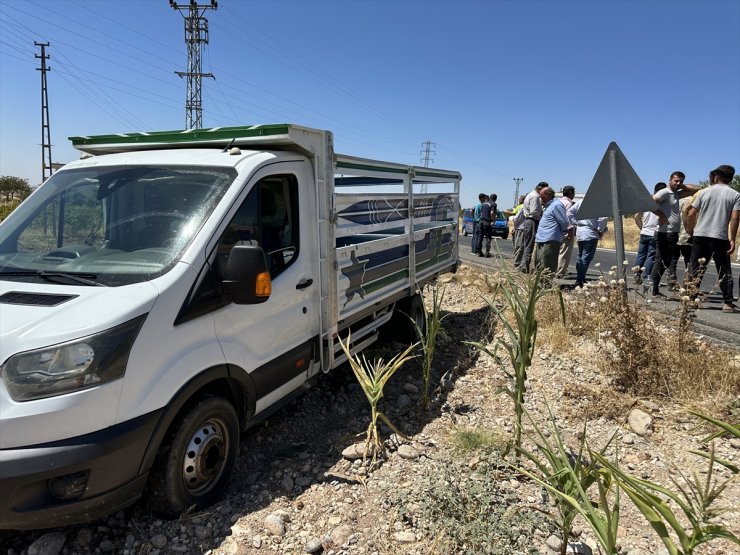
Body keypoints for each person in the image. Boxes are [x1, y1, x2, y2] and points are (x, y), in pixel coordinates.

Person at [685, 164, 740, 313]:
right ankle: (728, 303)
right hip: (719, 236)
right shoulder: (735, 195)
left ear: (716, 176)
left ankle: (691, 300)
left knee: (695, 267)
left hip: (700, 234)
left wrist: (691, 230)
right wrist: (732, 239)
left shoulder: (704, 192)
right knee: (724, 270)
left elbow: (690, 213)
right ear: (731, 178)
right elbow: (735, 218)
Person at [650, 171, 698, 298]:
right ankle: (653, 289)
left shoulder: (676, 194)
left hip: (672, 233)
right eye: (676, 181)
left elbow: (696, 190)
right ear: (669, 180)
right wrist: (661, 216)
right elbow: (650, 203)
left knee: (665, 261)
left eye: (681, 181)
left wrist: (681, 186)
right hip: (666, 233)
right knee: (660, 261)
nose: (678, 183)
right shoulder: (665, 192)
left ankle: (654, 288)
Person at [633, 182, 667, 286]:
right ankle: (646, 275)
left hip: (644, 232)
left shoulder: (646, 201)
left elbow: (636, 217)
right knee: (651, 256)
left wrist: (642, 228)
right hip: (654, 232)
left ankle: (636, 273)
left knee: (641, 254)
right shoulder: (663, 203)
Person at [534, 187, 570, 276]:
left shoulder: (556, 205)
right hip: (542, 239)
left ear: (548, 195)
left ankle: (546, 287)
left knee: (547, 266)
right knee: (539, 266)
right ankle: (540, 287)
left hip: (550, 240)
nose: (540, 199)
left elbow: (564, 222)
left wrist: (562, 234)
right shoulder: (549, 206)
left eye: (542, 197)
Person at [513, 182, 547, 273]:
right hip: (532, 221)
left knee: (526, 244)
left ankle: (523, 265)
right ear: (540, 188)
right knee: (529, 245)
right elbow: (534, 212)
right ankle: (524, 266)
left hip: (529, 221)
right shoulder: (535, 197)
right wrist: (541, 214)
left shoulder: (531, 195)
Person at [573, 200, 608, 287]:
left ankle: (580, 277)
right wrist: (601, 230)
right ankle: (580, 278)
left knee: (580, 255)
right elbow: (604, 218)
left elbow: (570, 212)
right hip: (590, 232)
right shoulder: (597, 202)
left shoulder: (579, 202)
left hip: (580, 231)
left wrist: (575, 223)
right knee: (586, 257)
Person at [666, 195, 693, 288]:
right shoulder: (693, 200)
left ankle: (672, 282)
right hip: (687, 235)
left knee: (673, 259)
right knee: (689, 261)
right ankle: (687, 284)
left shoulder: (676, 201)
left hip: (675, 234)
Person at [555, 186, 577, 279]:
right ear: (570, 192)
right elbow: (567, 219)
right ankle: (560, 272)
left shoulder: (558, 202)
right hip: (566, 231)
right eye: (573, 192)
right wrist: (570, 231)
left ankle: (555, 269)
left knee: (557, 252)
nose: (574, 194)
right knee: (564, 252)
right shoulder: (569, 204)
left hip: (556, 231)